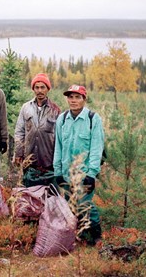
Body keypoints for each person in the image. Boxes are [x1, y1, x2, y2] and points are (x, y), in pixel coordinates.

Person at [53, 84, 104, 245]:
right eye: (70, 97)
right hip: (67, 173)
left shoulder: (92, 119)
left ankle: (96, 235)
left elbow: (97, 148)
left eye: (77, 97)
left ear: (84, 99)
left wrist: (91, 174)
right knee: (71, 206)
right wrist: (58, 172)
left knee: (84, 204)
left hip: (84, 174)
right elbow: (58, 147)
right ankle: (81, 235)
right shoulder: (62, 119)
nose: (73, 100)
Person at [14, 73, 61, 187]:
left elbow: (59, 138)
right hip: (29, 160)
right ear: (33, 89)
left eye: (42, 87)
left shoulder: (55, 110)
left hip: (48, 161)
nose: (39, 90)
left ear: (47, 89)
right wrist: (19, 153)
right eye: (37, 87)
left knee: (48, 195)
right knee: (29, 193)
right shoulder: (26, 107)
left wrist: (58, 161)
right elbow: (20, 132)